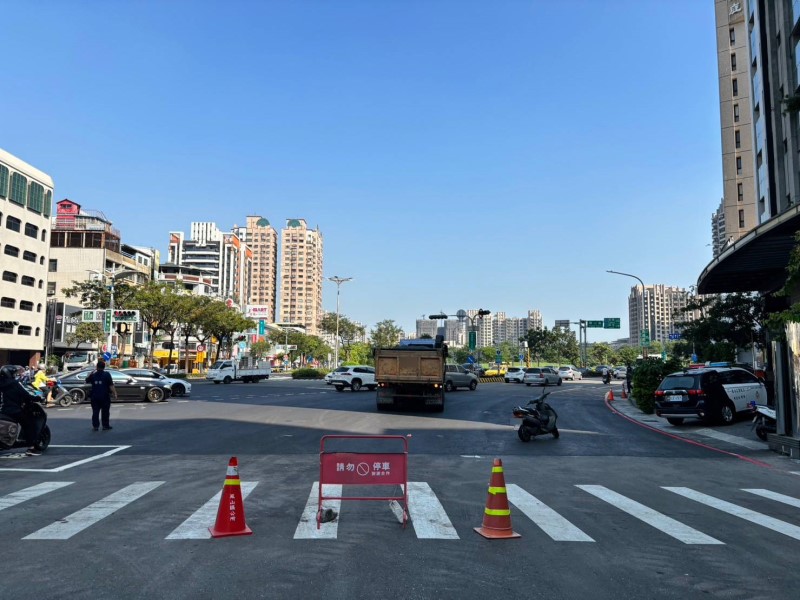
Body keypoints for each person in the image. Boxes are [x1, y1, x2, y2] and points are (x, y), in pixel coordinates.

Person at [0, 365, 43, 455]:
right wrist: (37, 398)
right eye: (13, 373)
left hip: (3, 410)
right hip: (14, 410)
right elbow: (25, 395)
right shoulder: (14, 383)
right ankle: (31, 447)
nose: (15, 375)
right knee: (29, 424)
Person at [85, 361, 117, 431]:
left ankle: (95, 426)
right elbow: (111, 385)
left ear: (96, 367)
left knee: (95, 412)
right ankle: (105, 425)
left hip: (95, 396)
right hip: (105, 396)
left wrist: (90, 373)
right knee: (105, 412)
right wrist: (114, 393)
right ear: (104, 367)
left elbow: (86, 380)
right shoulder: (107, 374)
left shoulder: (93, 375)